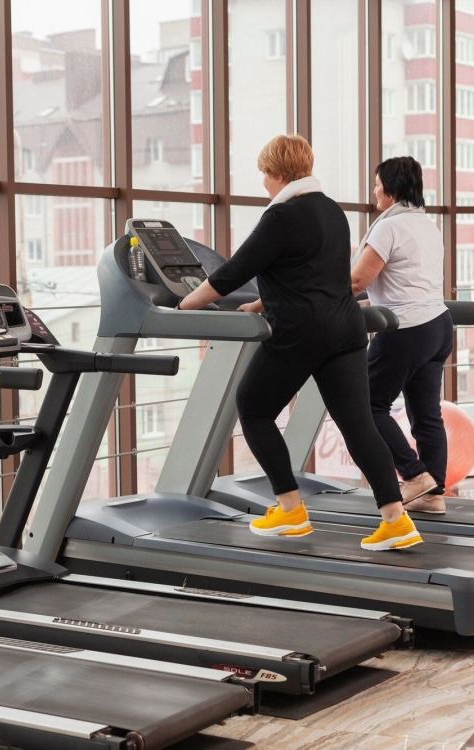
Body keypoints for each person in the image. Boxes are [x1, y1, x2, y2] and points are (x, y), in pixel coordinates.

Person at [179, 134, 423, 550]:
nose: (263, 184)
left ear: (276, 173)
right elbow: (313, 272)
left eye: (263, 175)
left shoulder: (282, 215)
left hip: (300, 333)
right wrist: (259, 305)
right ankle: (396, 520)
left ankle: (290, 509)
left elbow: (233, 271)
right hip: (345, 330)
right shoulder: (331, 210)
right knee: (358, 423)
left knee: (253, 408)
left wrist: (185, 302)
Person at [352, 157, 453, 514]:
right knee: (427, 415)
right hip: (439, 326)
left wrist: (315, 298)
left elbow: (357, 281)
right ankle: (433, 494)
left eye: (377, 183)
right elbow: (397, 281)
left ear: (391, 188)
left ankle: (414, 476)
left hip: (406, 330)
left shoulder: (387, 227)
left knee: (364, 405)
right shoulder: (426, 223)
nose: (374, 189)